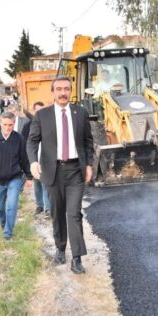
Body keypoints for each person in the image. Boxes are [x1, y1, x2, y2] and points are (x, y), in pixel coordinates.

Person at [27, 76, 94, 274]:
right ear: (53, 92)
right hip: (52, 171)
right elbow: (32, 141)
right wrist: (33, 162)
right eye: (59, 89)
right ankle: (60, 247)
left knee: (74, 213)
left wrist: (89, 164)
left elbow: (88, 141)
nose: (63, 92)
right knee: (57, 213)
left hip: (75, 171)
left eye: (66, 89)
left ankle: (77, 258)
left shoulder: (80, 113)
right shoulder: (42, 115)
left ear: (71, 91)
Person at [0, 112, 33, 240]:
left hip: (14, 178)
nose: (8, 127)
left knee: (11, 206)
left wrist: (29, 177)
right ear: (0, 124)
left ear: (14, 124)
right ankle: (4, 225)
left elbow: (24, 159)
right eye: (5, 125)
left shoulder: (19, 138)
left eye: (10, 125)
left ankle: (8, 233)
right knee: (0, 209)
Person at [27, 101, 51, 217]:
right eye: (37, 110)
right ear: (34, 111)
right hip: (34, 160)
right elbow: (26, 143)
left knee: (45, 184)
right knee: (37, 186)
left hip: (46, 160)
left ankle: (48, 209)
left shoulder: (49, 124)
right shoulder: (28, 125)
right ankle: (40, 206)